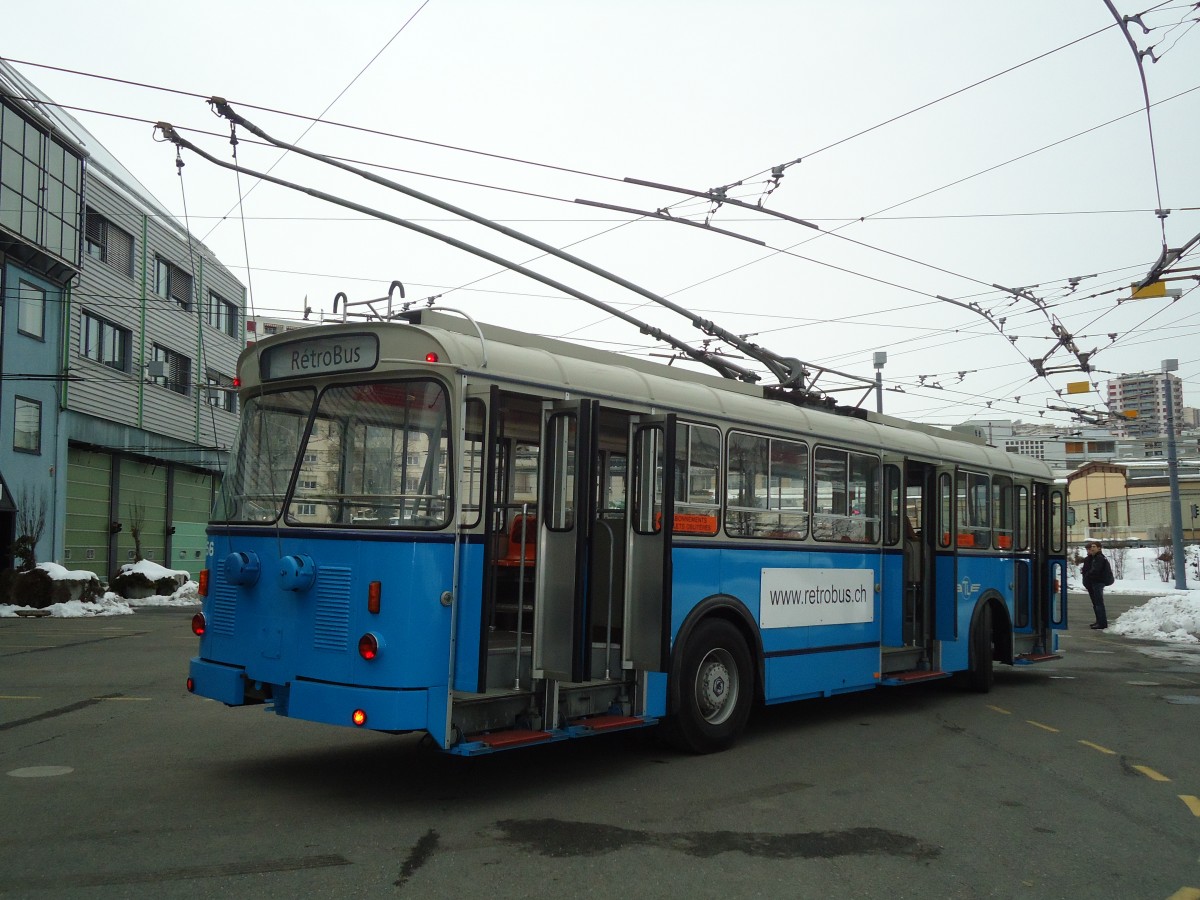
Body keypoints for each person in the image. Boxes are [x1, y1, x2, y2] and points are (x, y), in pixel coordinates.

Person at [1080, 540, 1114, 630]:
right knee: (1096, 603)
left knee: (1099, 603)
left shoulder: (1099, 558)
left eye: (1094, 546)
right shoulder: (1093, 558)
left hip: (1098, 582)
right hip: (1093, 583)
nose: (1092, 548)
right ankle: (1099, 621)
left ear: (1099, 548)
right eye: (1091, 547)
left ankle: (1102, 623)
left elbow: (1095, 570)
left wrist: (1087, 575)